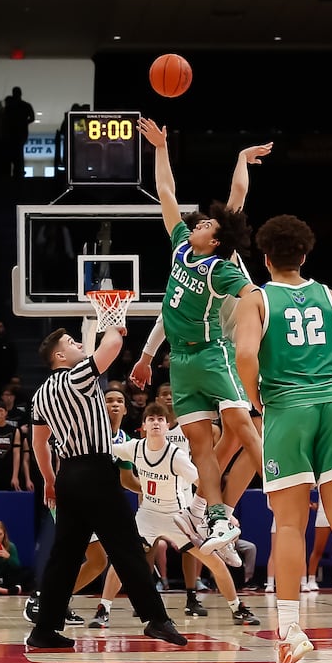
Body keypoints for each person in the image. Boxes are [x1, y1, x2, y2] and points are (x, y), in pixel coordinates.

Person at [131, 137, 274, 550]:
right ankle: (214, 517)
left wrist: (241, 159)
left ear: (216, 239)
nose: (200, 223)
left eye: (207, 224)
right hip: (183, 360)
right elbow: (166, 193)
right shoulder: (180, 248)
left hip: (223, 351)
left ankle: (279, 486)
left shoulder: (221, 266)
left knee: (243, 425)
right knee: (202, 445)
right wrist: (160, 148)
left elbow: (252, 292)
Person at [27, 322, 186, 650]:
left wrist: (49, 480)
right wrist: (113, 324)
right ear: (60, 355)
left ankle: (44, 629)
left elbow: (39, 442)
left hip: (68, 474)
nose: (77, 345)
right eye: (72, 342)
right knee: (126, 546)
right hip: (96, 471)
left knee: (65, 556)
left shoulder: (40, 395)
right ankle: (156, 619)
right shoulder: (76, 377)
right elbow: (111, 348)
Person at [113, 408, 260, 628]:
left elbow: (204, 480)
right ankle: (105, 608)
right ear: (143, 426)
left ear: (168, 423)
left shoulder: (181, 444)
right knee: (126, 557)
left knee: (211, 561)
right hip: (150, 513)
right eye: (151, 419)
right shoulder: (136, 447)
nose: (156, 423)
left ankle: (230, 605)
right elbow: (107, 451)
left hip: (180, 510)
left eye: (160, 419)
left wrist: (217, 510)